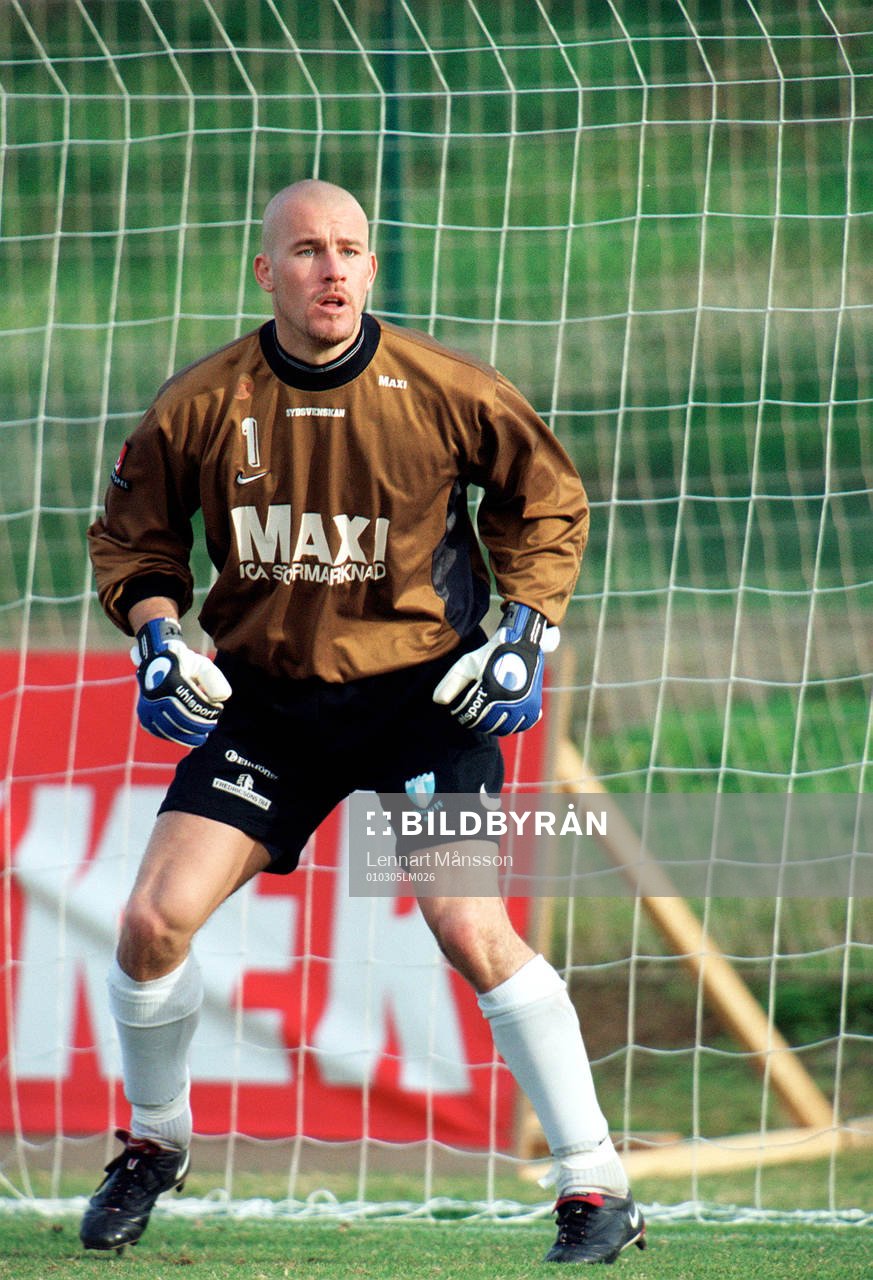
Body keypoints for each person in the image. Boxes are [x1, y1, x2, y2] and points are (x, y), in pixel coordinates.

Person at [83, 179, 645, 1265]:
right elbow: (134, 542)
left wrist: (525, 628)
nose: (329, 268)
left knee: (467, 928)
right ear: (267, 273)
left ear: (372, 267)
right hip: (270, 708)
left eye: (348, 249)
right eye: (305, 251)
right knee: (152, 921)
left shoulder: (444, 387)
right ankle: (155, 1143)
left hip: (422, 706)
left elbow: (549, 500)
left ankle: (595, 1184)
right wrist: (156, 631)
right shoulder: (202, 403)